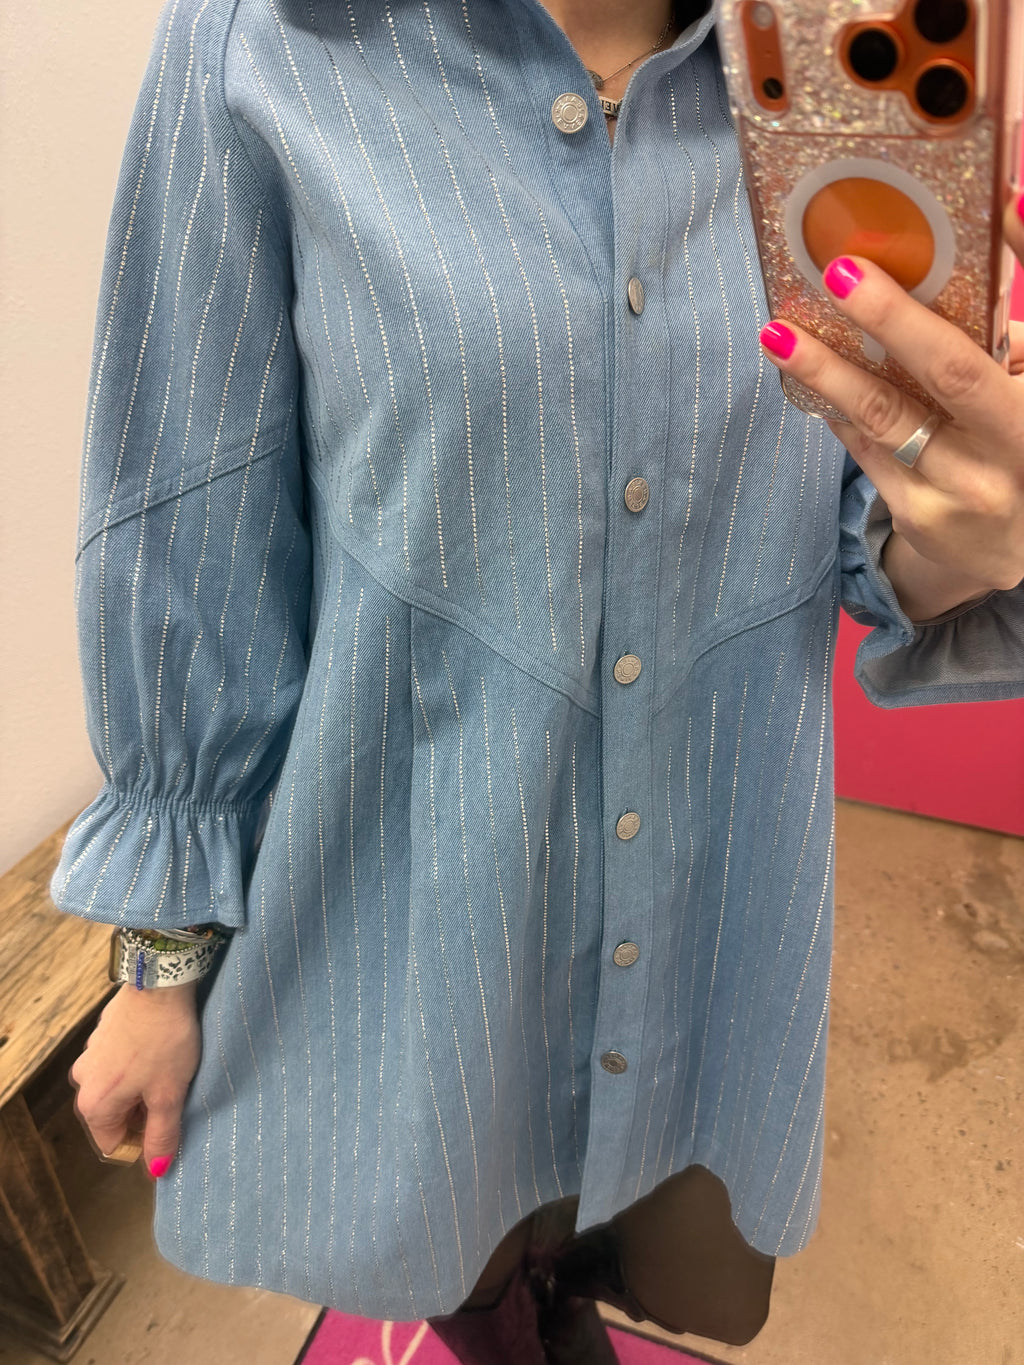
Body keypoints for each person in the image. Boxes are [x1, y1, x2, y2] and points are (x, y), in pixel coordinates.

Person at [54, 0, 1024, 1359]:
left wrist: (965, 543)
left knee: (642, 1241)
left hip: (712, 925)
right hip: (423, 929)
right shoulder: (260, 46)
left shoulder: (840, 65)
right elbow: (190, 523)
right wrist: (162, 961)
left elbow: (849, 542)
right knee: (460, 1244)